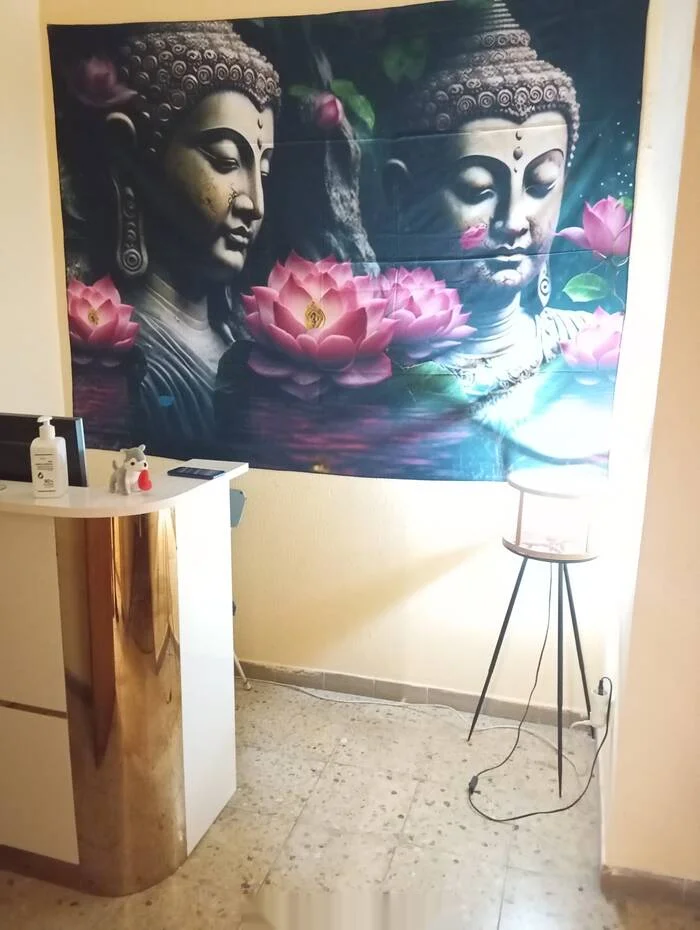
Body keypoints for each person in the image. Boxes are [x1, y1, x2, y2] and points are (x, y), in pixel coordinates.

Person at [383, 0, 601, 467]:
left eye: (541, 185)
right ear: (405, 195)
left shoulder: (585, 346)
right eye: (478, 188)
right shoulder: (374, 362)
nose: (514, 220)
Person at [56, 21, 280, 453]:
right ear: (128, 151)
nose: (255, 203)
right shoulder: (123, 361)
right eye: (225, 160)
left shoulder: (238, 338)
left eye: (264, 171)